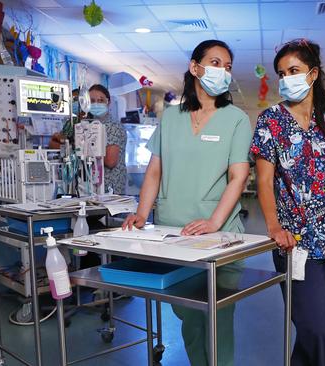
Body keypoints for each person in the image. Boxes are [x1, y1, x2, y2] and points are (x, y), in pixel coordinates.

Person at [121, 39, 252, 366]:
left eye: (227, 65)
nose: (222, 70)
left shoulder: (235, 119)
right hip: (173, 234)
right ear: (195, 67)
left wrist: (214, 222)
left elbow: (239, 177)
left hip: (219, 237)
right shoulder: (172, 117)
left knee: (217, 316)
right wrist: (141, 212)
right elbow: (154, 171)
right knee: (189, 315)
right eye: (215, 62)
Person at [250, 39, 325, 366]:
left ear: (313, 74)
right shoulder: (270, 121)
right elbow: (263, 181)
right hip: (294, 244)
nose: (286, 78)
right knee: (313, 327)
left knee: (323, 325)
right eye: (281, 73)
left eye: (294, 70)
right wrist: (273, 226)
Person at [50, 84, 127, 195]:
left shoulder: (112, 127)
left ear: (108, 102)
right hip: (89, 188)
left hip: (109, 190)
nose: (96, 103)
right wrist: (76, 148)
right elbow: (58, 145)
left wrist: (81, 148)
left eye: (100, 100)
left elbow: (110, 161)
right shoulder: (85, 124)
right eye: (92, 100)